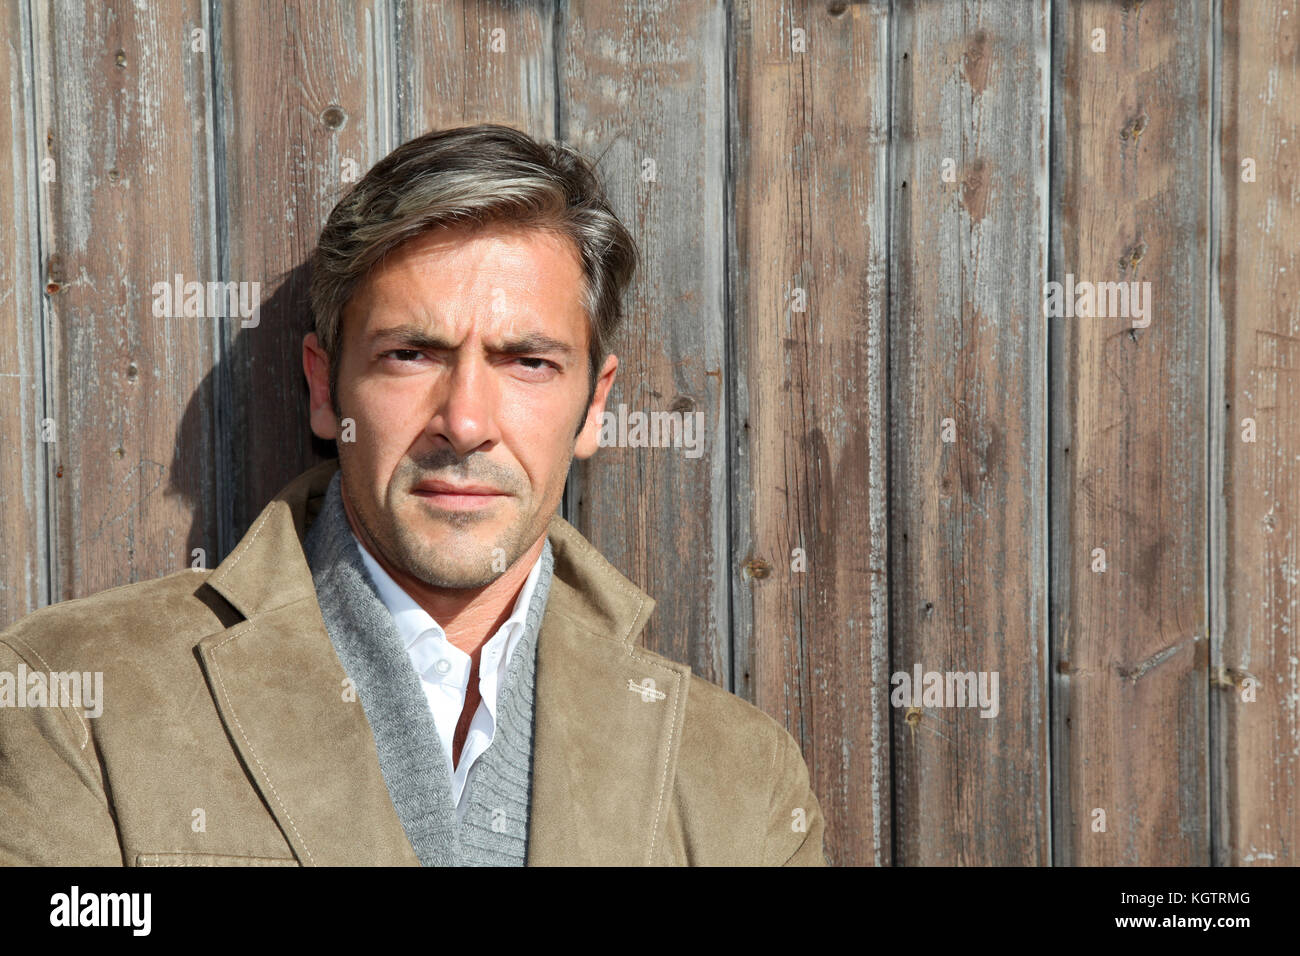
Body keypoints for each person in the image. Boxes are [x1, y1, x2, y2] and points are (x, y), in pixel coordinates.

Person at [0, 124, 827, 866]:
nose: (465, 422)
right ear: (325, 389)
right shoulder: (77, 702)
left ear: (594, 405)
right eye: (411, 355)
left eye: (528, 362)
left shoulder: (741, 785)